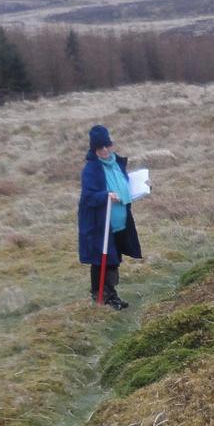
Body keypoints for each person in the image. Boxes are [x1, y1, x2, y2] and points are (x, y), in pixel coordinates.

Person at [77, 123, 142, 309]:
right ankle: (100, 296)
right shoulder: (92, 169)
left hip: (119, 222)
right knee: (102, 259)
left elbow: (125, 187)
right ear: (94, 149)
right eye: (100, 147)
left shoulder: (117, 164)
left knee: (114, 259)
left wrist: (142, 188)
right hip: (100, 224)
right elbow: (88, 197)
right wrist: (105, 196)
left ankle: (111, 294)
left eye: (107, 145)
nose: (105, 150)